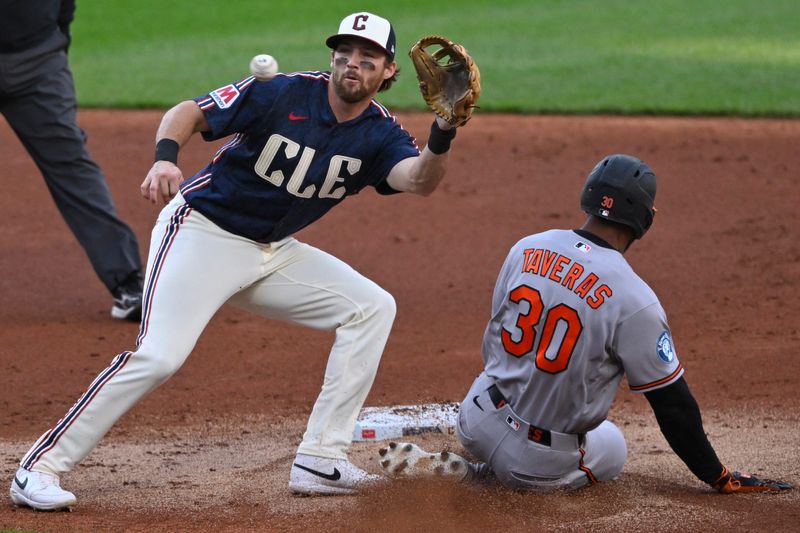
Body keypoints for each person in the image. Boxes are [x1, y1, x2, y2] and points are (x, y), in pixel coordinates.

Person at [9, 11, 467, 511]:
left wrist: (443, 129)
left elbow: (419, 180)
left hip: (271, 252)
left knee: (371, 307)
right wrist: (165, 157)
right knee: (159, 355)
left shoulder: (381, 135)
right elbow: (190, 111)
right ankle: (39, 468)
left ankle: (320, 458)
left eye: (367, 57)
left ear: (388, 72)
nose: (352, 64)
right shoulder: (283, 91)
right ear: (332, 58)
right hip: (203, 232)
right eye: (345, 54)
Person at [379, 154, 793, 494]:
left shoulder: (526, 247)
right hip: (534, 463)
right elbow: (672, 404)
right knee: (612, 444)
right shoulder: (635, 299)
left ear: (588, 197)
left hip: (475, 419)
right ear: (646, 219)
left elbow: (497, 333)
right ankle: (478, 481)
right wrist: (716, 475)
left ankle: (478, 461)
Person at [0, 0, 144, 320]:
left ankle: (127, 283)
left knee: (72, 165)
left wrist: (56, 42)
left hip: (37, 61)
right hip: (40, 55)